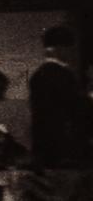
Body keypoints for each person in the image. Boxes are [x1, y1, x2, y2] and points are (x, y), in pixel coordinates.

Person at [28, 26, 93, 171]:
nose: (72, 53)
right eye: (70, 49)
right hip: (65, 150)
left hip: (44, 147)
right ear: (61, 49)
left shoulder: (38, 75)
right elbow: (77, 111)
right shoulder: (64, 75)